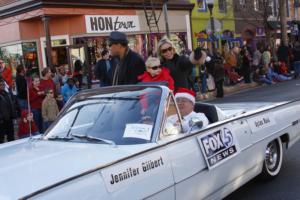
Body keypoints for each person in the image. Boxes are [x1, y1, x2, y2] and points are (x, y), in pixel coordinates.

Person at [0, 78, 16, 143]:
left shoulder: (7, 93)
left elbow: (11, 104)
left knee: (11, 136)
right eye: (1, 85)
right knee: (1, 138)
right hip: (1, 121)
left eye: (3, 84)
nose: (2, 86)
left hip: (9, 119)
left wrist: (13, 114)